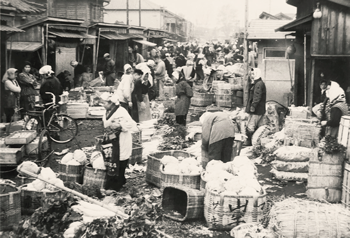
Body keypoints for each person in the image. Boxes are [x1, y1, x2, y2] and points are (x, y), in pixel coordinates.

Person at [101, 93, 137, 191]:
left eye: (104, 103)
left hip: (122, 140)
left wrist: (120, 126)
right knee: (111, 160)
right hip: (111, 140)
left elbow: (132, 124)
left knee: (121, 160)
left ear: (110, 103)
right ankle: (116, 181)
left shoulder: (121, 111)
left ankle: (118, 183)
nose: (102, 105)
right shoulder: (107, 112)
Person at [245, 68, 266, 145]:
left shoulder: (258, 84)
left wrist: (253, 106)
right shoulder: (257, 83)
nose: (252, 76)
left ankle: (250, 143)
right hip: (259, 109)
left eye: (253, 74)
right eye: (251, 74)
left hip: (256, 110)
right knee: (260, 126)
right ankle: (256, 143)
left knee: (251, 126)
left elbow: (257, 96)